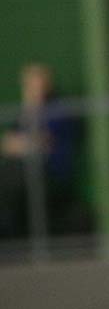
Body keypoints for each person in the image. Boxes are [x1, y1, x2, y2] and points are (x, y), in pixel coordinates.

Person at [0, 63, 83, 237]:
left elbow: (40, 143)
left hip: (51, 175)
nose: (34, 88)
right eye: (30, 84)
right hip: (22, 173)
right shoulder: (26, 111)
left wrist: (23, 144)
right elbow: (6, 144)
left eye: (39, 82)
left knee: (15, 174)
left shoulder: (59, 110)